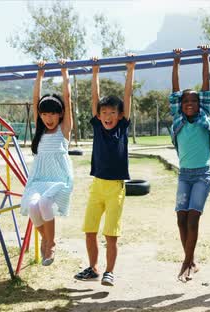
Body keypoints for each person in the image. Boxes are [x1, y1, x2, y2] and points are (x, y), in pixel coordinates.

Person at [74, 55, 135, 286]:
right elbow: (94, 98)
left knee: (111, 235)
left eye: (112, 113)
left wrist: (130, 70)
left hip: (115, 188)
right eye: (104, 113)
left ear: (119, 115)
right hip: (97, 186)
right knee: (90, 230)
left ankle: (110, 271)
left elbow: (127, 97)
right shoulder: (98, 127)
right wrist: (95, 71)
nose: (108, 116)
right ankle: (93, 268)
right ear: (99, 115)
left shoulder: (122, 127)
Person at [20, 59, 74, 266]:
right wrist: (39, 74)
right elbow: (35, 100)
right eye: (44, 114)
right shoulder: (40, 131)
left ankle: (50, 245)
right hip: (39, 178)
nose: (48, 118)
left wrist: (64, 71)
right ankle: (46, 238)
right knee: (33, 207)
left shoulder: (63, 130)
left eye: (53, 113)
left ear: (60, 114)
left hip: (59, 179)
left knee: (43, 204)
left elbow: (67, 99)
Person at [169, 45, 210, 282]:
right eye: (185, 101)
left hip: (202, 175)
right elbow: (175, 89)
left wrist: (205, 57)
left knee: (193, 217)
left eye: (193, 100)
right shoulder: (178, 118)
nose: (189, 103)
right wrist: (176, 62)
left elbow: (206, 83)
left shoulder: (204, 115)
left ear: (199, 103)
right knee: (180, 218)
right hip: (184, 175)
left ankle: (187, 263)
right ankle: (191, 260)